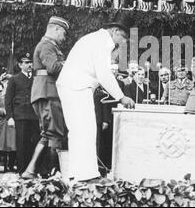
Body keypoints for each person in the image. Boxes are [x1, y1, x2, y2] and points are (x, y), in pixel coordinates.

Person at [56, 14, 136, 182]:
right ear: (114, 31)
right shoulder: (102, 42)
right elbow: (104, 74)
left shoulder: (95, 39)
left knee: (78, 131)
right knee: (86, 130)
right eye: (124, 37)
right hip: (77, 86)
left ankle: (75, 174)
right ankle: (87, 175)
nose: (124, 42)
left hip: (72, 85)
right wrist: (121, 97)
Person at [22, 17, 70, 179]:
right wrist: (72, 64)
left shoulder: (49, 46)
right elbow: (54, 67)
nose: (64, 37)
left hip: (46, 92)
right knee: (55, 133)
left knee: (49, 133)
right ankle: (53, 173)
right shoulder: (46, 46)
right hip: (48, 93)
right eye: (63, 33)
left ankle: (31, 170)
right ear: (55, 29)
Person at [5, 53, 39, 174]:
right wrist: (10, 117)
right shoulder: (14, 79)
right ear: (20, 65)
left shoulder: (36, 78)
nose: (29, 64)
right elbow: (8, 99)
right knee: (22, 144)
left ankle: (33, 170)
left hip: (35, 116)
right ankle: (22, 170)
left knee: (35, 142)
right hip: (21, 116)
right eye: (26, 62)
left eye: (30, 62)